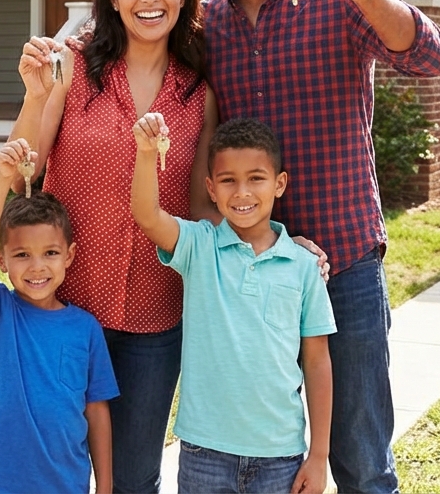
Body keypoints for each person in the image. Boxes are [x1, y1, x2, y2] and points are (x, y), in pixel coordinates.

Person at [201, 0, 440, 494]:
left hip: (345, 261)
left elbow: (428, 57)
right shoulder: (206, 24)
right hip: (252, 271)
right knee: (265, 450)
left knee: (361, 458)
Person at [8, 0, 219, 494]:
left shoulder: (199, 87)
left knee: (131, 478)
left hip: (156, 311)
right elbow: (24, 169)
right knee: (51, 469)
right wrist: (33, 95)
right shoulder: (72, 67)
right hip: (65, 305)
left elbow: (203, 204)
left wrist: (274, 243)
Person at [131, 115, 335, 494]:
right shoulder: (199, 247)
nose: (242, 192)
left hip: (280, 455)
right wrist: (146, 154)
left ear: (279, 184)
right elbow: (147, 215)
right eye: (228, 180)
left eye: (256, 178)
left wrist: (319, 455)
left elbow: (318, 361)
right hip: (204, 452)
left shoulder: (304, 266)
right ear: (211, 188)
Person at [0, 140, 119, 494]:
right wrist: (3, 179)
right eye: (21, 255)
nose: (37, 267)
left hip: (65, 484)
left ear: (69, 255)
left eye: (50, 252)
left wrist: (105, 487)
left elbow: (96, 412)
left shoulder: (85, 329)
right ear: (1, 261)